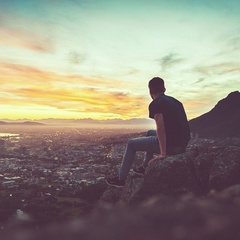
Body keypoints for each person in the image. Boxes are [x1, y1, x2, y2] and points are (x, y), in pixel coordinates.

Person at [106, 77, 190, 187]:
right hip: (182, 144)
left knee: (131, 144)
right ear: (164, 88)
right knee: (150, 132)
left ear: (150, 91)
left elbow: (160, 127)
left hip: (171, 146)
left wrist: (163, 153)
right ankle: (145, 167)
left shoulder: (156, 103)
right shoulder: (177, 102)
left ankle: (121, 179)